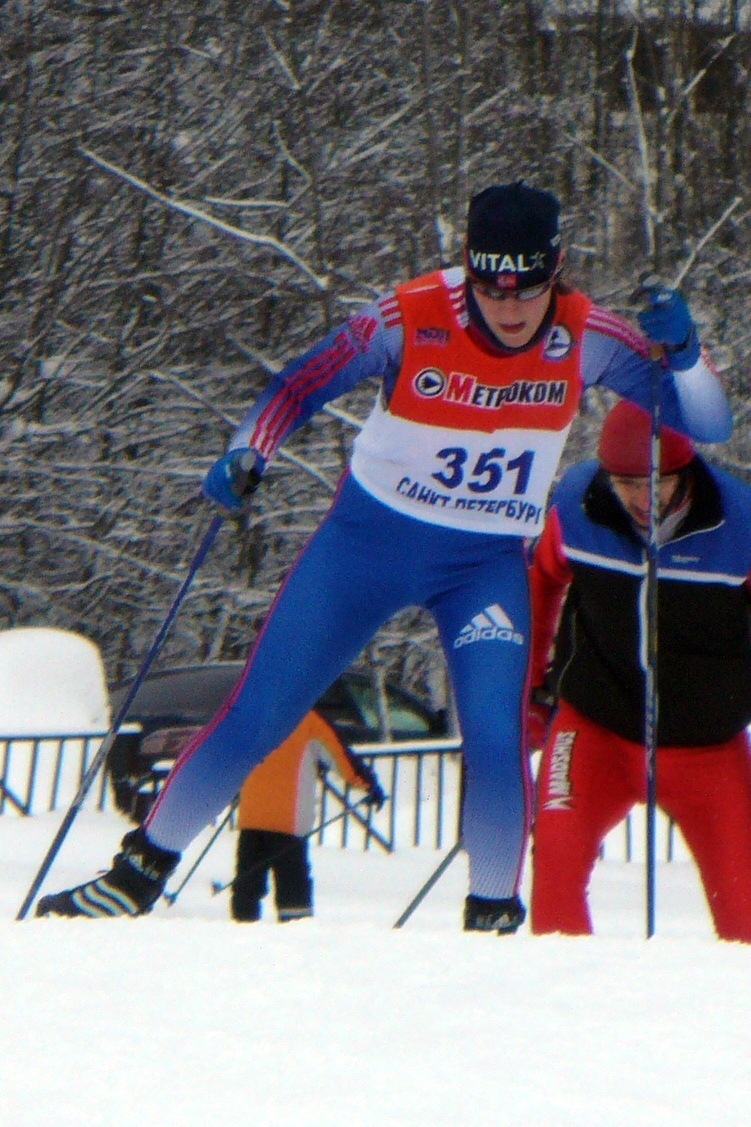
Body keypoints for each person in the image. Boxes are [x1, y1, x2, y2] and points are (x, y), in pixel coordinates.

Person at [36, 181, 732, 932]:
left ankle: (492, 913)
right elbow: (300, 384)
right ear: (469, 268)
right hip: (366, 547)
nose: (508, 308)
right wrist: (249, 448)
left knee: (495, 741)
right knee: (260, 713)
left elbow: (706, 422)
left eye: (528, 288)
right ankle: (136, 876)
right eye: (490, 286)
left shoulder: (586, 335)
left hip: (482, 566)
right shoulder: (408, 316)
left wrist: (685, 355)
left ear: (555, 270)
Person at [528, 400, 751, 942]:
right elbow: (540, 582)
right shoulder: (576, 507)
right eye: (626, 484)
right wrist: (530, 685)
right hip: (594, 728)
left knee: (744, 911)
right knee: (555, 866)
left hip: (707, 744)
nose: (642, 499)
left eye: (657, 483)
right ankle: (562, 989)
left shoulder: (740, 523)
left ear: (685, 472)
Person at [231, 709, 384, 923]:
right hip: (289, 820)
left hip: (251, 816)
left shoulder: (254, 714)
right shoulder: (308, 719)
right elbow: (341, 758)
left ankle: (241, 926)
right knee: (293, 889)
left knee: (247, 886)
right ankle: (295, 930)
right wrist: (369, 784)